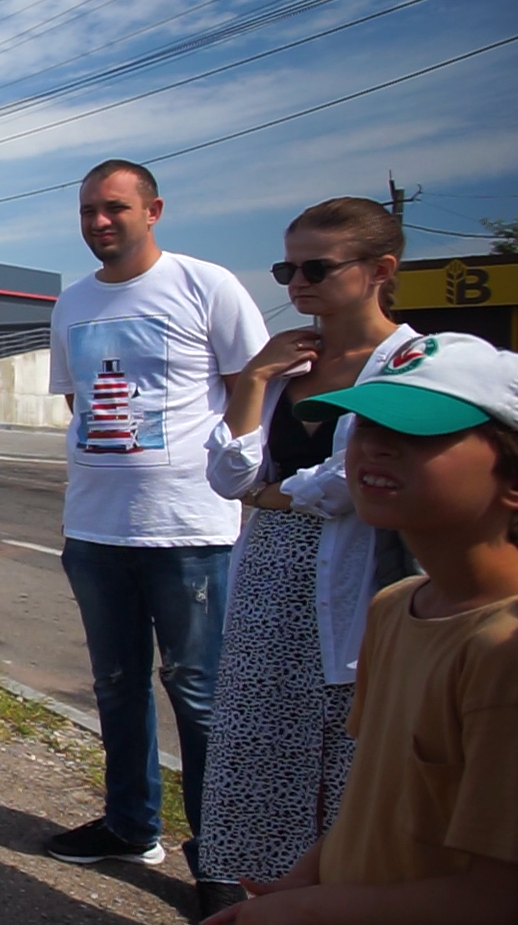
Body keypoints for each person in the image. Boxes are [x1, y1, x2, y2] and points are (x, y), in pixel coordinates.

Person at [200, 332, 518, 924]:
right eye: (365, 427)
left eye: (419, 433)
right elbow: (376, 798)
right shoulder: (396, 606)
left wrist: (311, 910)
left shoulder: (504, 651)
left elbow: (497, 896)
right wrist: (312, 874)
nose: (375, 449)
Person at [44, 160, 268, 903]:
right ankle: (131, 825)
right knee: (116, 686)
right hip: (95, 528)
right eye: (88, 211)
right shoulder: (71, 303)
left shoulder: (207, 286)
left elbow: (251, 391)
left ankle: (221, 860)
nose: (100, 222)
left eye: (114, 208)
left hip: (189, 529)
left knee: (200, 697)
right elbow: (78, 404)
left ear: (154, 209)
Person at [198, 198, 415, 904]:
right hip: (267, 590)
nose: (297, 282)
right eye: (286, 266)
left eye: (316, 267)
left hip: (359, 592)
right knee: (264, 766)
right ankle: (266, 899)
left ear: (381, 270)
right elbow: (229, 474)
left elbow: (350, 486)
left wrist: (267, 493)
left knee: (358, 775)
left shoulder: (412, 363)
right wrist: (255, 379)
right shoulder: (292, 363)